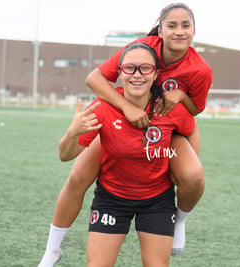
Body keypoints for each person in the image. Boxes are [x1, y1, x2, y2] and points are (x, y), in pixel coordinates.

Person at [39, 3, 212, 266]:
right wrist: (123, 109)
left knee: (193, 174)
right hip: (117, 144)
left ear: (156, 75)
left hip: (162, 144)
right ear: (160, 29)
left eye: (185, 25)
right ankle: (52, 250)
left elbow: (194, 113)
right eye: (171, 25)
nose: (179, 32)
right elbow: (94, 79)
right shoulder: (140, 50)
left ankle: (179, 221)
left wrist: (179, 98)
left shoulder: (198, 72)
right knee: (76, 177)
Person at [60, 43, 197, 266]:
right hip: (112, 198)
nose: (137, 75)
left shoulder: (169, 107)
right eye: (129, 68)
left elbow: (191, 130)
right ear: (120, 73)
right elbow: (64, 155)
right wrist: (72, 133)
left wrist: (181, 167)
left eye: (144, 68)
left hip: (157, 201)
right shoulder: (102, 107)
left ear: (155, 74)